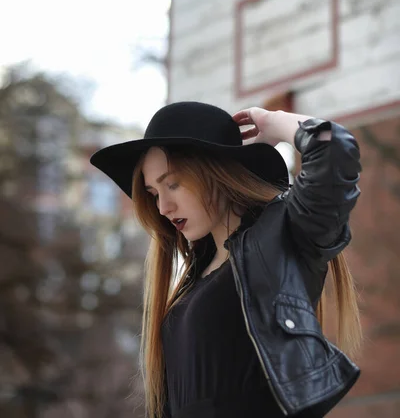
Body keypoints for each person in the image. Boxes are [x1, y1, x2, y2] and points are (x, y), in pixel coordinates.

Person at [90, 101, 362, 418]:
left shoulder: (281, 239)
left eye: (172, 184)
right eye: (153, 193)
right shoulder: (191, 281)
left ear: (214, 172)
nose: (163, 206)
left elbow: (335, 150)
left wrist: (276, 121)